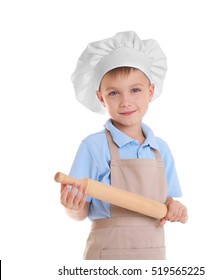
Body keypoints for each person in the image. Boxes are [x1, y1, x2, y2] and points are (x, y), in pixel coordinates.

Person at [60, 31, 187, 260]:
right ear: (101, 98)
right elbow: (80, 212)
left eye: (135, 90)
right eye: (114, 93)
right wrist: (72, 206)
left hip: (153, 256)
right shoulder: (93, 147)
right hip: (108, 256)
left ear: (150, 91)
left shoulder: (161, 149)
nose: (126, 101)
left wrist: (175, 207)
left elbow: (166, 202)